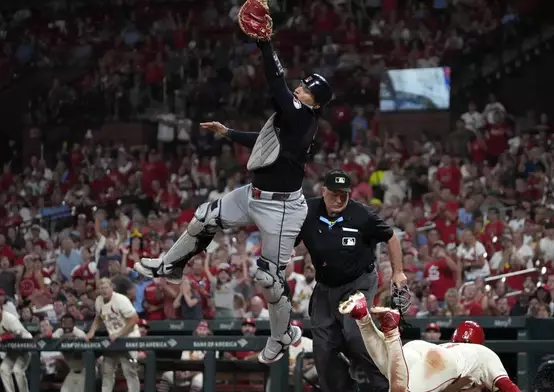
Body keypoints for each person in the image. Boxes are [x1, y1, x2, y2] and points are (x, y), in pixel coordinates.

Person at [134, 32, 334, 365]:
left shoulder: (302, 116)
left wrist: (265, 44)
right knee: (203, 218)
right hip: (255, 194)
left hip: (282, 207)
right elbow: (264, 142)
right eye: (302, 85)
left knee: (267, 279)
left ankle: (282, 335)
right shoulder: (296, 121)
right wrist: (228, 133)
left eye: (307, 90)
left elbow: (275, 82)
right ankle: (171, 265)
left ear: (316, 101)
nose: (300, 89)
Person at [294, 169, 408, 392]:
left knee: (355, 334)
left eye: (343, 195)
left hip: (358, 282)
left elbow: (391, 237)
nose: (338, 199)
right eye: (333, 194)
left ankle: (384, 385)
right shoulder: (305, 210)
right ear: (323, 191)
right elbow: (287, 235)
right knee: (323, 348)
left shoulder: (361, 215)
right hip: (325, 287)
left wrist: (398, 272)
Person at [339, 292, 521, 392]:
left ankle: (362, 316)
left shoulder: (452, 346)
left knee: (388, 368)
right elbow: (507, 386)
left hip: (420, 348)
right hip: (441, 361)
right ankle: (392, 331)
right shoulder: (483, 353)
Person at [86, 278, 141, 392]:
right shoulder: (98, 301)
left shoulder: (121, 300)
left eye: (106, 287)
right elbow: (98, 317)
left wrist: (119, 334)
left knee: (129, 371)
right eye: (101, 288)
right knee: (107, 370)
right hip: (113, 338)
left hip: (129, 336)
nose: (104, 290)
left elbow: (134, 319)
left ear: (112, 287)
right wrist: (91, 332)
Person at [0, 303, 33, 392]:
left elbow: (18, 333)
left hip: (24, 346)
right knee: (3, 369)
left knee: (17, 370)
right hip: (12, 350)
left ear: (1, 309)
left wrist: (3, 337)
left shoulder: (10, 318)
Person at [53, 313, 88, 392]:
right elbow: (50, 341)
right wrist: (41, 336)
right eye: (64, 324)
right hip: (72, 371)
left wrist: (64, 338)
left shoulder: (80, 333)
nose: (66, 327)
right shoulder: (59, 331)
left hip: (85, 371)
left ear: (74, 324)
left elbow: (82, 339)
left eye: (69, 324)